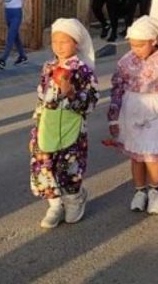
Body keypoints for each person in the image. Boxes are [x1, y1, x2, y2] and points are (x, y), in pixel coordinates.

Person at [105, 16, 158, 215]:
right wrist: (114, 117)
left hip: (157, 110)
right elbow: (117, 88)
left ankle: (155, 191)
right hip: (132, 108)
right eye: (132, 45)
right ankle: (139, 191)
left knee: (153, 155)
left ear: (153, 41)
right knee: (137, 156)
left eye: (140, 45)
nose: (136, 49)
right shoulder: (126, 61)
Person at [31, 18, 99, 228]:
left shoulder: (82, 70)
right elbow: (42, 97)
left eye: (64, 41)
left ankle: (74, 198)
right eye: (55, 41)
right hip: (47, 125)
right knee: (45, 165)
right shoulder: (49, 66)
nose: (59, 46)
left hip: (72, 126)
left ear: (76, 43)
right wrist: (37, 123)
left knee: (69, 165)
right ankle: (54, 205)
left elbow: (91, 101)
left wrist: (71, 94)